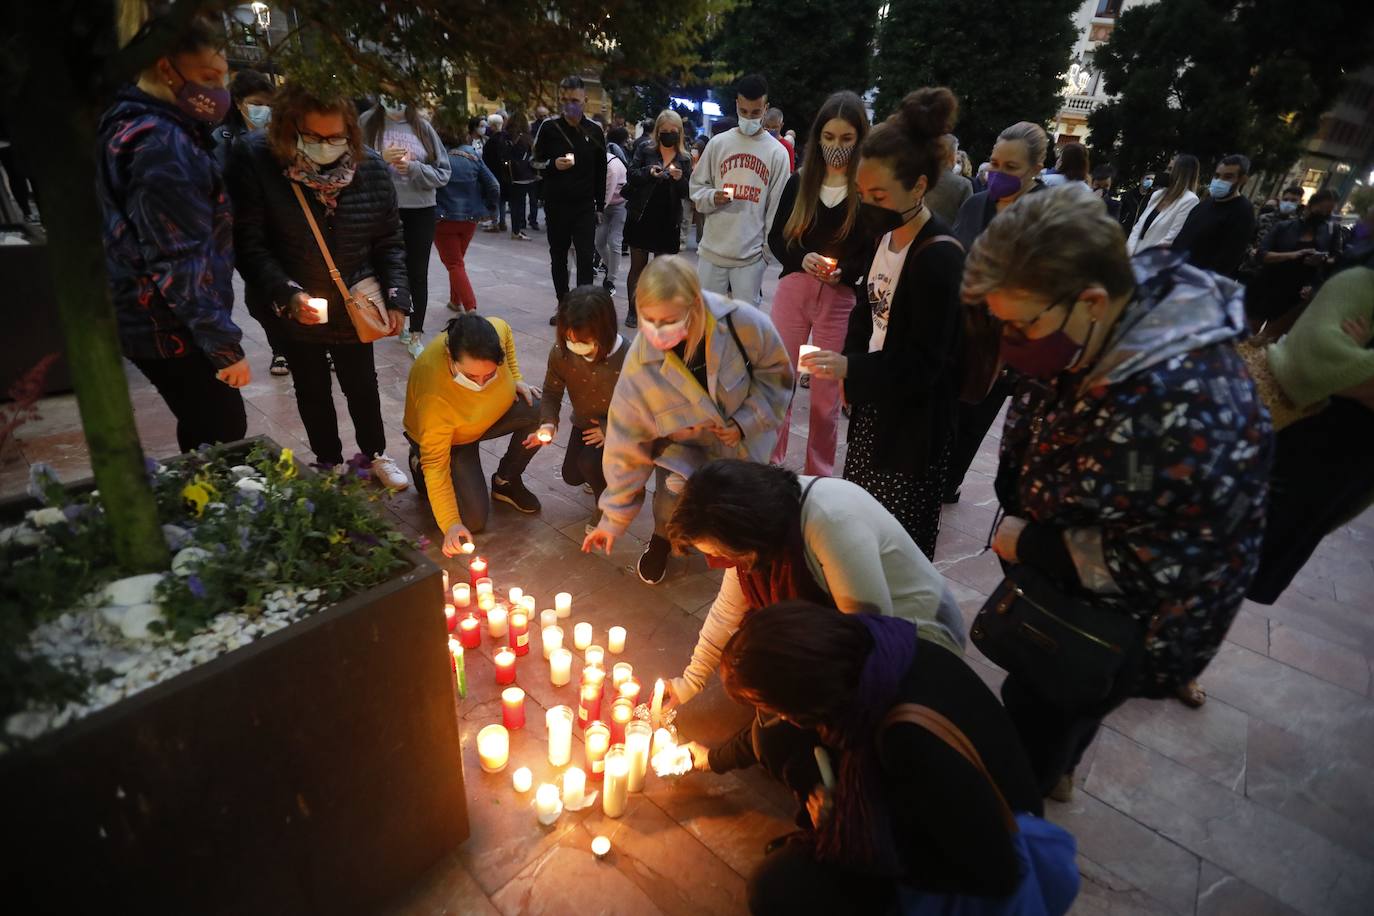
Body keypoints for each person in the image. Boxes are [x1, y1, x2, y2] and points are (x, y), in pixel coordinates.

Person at [962, 184, 1272, 800]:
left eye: (1020, 325)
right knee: (1043, 708)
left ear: (1093, 301)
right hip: (1066, 586)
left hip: (1115, 622)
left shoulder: (1191, 405)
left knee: (1032, 739)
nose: (1010, 347)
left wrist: (1037, 545)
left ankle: (1013, 838)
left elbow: (1166, 565)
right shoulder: (1095, 328)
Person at [684, 602, 1076, 916]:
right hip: (945, 810)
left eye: (776, 706)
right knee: (776, 740)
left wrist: (851, 830)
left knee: (780, 888)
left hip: (992, 859)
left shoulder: (908, 739)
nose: (780, 715)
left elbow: (995, 874)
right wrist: (713, 757)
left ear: (808, 697)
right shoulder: (877, 655)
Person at [664, 461, 966, 740]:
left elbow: (865, 644)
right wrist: (688, 684)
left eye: (719, 554)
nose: (717, 562)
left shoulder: (830, 522)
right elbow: (727, 612)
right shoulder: (763, 527)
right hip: (865, 634)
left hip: (920, 641)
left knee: (788, 737)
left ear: (745, 533)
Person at [803, 87, 965, 559]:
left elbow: (925, 364)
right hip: (877, 408)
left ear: (917, 187)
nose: (868, 205)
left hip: (913, 427)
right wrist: (852, 366)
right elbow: (866, 306)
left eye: (878, 195)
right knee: (861, 528)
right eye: (861, 193)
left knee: (894, 546)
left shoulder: (938, 257)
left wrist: (852, 371)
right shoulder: (887, 234)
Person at [228, 82, 411, 487]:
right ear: (290, 130)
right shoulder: (258, 163)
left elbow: (389, 242)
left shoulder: (372, 170)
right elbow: (249, 243)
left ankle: (374, 454)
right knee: (311, 385)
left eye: (336, 137)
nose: (327, 146)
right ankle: (327, 462)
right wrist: (287, 292)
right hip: (295, 300)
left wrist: (397, 296)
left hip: (354, 298)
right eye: (314, 138)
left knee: (362, 383)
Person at [582, 256, 792, 584]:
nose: (656, 332)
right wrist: (613, 518)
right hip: (682, 450)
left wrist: (744, 422)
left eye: (667, 321)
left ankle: (739, 561)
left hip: (741, 444)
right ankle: (662, 542)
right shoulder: (641, 363)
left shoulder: (741, 323)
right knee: (670, 501)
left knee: (738, 510)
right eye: (648, 319)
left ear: (694, 304)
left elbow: (777, 375)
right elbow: (626, 441)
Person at [96, 16, 249, 454]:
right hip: (166, 325)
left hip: (147, 315)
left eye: (223, 78)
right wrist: (223, 347)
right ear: (166, 68)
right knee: (222, 430)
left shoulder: (138, 122)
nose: (219, 91)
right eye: (208, 77)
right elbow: (178, 259)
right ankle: (207, 515)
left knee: (202, 423)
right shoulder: (162, 143)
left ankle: (200, 504)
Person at [1247, 257, 1374, 603]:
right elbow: (1311, 363)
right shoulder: (1361, 281)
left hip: (1340, 475)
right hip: (1297, 444)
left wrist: (1351, 371)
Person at [765, 91, 873, 476]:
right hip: (795, 292)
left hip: (837, 301)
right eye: (829, 138)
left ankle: (819, 474)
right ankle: (772, 463)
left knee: (825, 394)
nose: (837, 147)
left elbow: (870, 252)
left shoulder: (864, 193)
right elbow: (778, 237)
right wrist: (801, 258)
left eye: (846, 139)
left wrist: (845, 271)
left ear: (860, 139)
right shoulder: (800, 184)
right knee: (780, 380)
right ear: (818, 138)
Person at [944, 121, 1049, 504]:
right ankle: (936, 477)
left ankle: (948, 482)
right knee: (945, 414)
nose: (998, 174)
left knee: (973, 418)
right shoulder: (975, 203)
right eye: (995, 163)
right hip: (959, 329)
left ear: (1037, 168)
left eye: (1012, 168)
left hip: (1006, 342)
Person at [404, 313, 544, 554]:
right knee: (473, 521)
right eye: (470, 377)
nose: (480, 385)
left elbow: (506, 330)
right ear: (450, 356)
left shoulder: (493, 333)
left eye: (489, 375)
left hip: (484, 420)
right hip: (453, 442)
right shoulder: (434, 397)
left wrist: (516, 379)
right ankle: (418, 461)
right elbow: (437, 467)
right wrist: (450, 523)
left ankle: (505, 481)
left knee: (540, 410)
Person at [530, 286, 629, 533]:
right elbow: (552, 390)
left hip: (624, 428)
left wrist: (610, 429)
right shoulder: (562, 352)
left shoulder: (629, 357)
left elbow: (649, 408)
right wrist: (548, 422)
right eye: (569, 338)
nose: (574, 345)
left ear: (603, 332)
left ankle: (608, 504)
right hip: (585, 422)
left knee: (590, 463)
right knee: (572, 475)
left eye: (583, 341)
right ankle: (603, 476)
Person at [360, 96, 451, 359]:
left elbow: (443, 173)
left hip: (420, 209)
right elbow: (350, 166)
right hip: (382, 208)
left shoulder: (422, 126)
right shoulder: (367, 123)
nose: (394, 97)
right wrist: (379, 159)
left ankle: (416, 332)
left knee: (417, 272)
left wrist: (413, 168)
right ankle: (391, 320)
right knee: (382, 269)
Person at [689, 74, 791, 306]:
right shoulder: (719, 144)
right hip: (712, 250)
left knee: (745, 327)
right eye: (743, 111)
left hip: (751, 257)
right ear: (736, 104)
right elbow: (696, 188)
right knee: (705, 319)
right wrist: (712, 196)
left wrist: (765, 254)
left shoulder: (777, 153)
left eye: (755, 113)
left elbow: (777, 208)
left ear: (765, 109)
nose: (749, 118)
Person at [533, 76, 607, 325]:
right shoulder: (549, 128)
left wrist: (600, 205)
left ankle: (582, 309)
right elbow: (534, 162)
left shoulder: (595, 130)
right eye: (564, 101)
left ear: (585, 100)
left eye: (574, 100)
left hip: (584, 206)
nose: (570, 105)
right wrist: (552, 164)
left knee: (586, 257)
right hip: (556, 204)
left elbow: (601, 171)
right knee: (559, 256)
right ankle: (564, 305)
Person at [623, 109, 694, 328]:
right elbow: (631, 175)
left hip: (667, 217)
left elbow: (687, 192)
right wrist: (647, 172)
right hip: (642, 214)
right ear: (657, 131)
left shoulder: (684, 157)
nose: (668, 135)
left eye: (673, 131)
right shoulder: (645, 149)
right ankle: (633, 310)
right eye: (664, 131)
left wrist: (680, 178)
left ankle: (655, 311)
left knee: (662, 270)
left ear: (679, 133)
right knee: (638, 267)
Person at [1247, 188, 1341, 329]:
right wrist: (1293, 255)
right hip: (1268, 284)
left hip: (1297, 292)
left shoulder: (1331, 232)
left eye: (1329, 212)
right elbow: (1262, 255)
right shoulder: (1285, 227)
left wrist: (1323, 260)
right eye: (1322, 209)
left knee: (1271, 336)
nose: (1324, 215)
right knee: (1250, 330)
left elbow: (1337, 260)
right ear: (1310, 205)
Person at [434, 127, 499, 314]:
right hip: (470, 219)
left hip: (443, 219)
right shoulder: (473, 156)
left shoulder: (436, 158)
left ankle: (471, 308)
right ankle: (455, 301)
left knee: (454, 264)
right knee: (458, 262)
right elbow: (493, 185)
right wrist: (489, 209)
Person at [1172, 154, 1256, 279]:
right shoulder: (1205, 204)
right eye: (1217, 176)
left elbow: (1228, 259)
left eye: (1228, 177)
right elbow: (1182, 238)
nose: (1219, 180)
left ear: (1242, 180)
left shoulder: (1243, 211)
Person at [1125, 154, 1200, 254]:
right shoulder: (1157, 194)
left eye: (1170, 169)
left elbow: (1171, 238)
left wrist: (1143, 258)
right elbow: (1138, 227)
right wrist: (1128, 254)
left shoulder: (1189, 200)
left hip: (1154, 260)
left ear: (1181, 174)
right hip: (1133, 255)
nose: (1165, 172)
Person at [213, 68, 273, 168]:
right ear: (238, 102)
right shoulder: (224, 137)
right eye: (257, 104)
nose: (265, 109)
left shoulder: (274, 136)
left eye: (269, 105)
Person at [595, 138, 628, 295]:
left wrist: (598, 210)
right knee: (599, 242)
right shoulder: (597, 162)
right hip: (605, 206)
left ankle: (611, 280)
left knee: (615, 242)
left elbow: (608, 192)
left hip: (619, 205)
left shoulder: (612, 167)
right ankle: (611, 267)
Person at [922, 133, 972, 224]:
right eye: (956, 152)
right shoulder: (963, 185)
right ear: (952, 156)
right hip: (947, 236)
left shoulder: (917, 179)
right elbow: (968, 222)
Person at [505, 112, 536, 242]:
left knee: (514, 204)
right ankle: (517, 231)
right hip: (524, 175)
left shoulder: (507, 135)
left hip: (510, 174)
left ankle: (515, 229)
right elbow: (531, 157)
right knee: (521, 203)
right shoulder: (526, 138)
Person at [528, 105, 549, 230]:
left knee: (547, 196)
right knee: (533, 197)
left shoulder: (551, 127)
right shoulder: (533, 129)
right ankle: (533, 219)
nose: (544, 118)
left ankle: (547, 219)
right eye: (541, 116)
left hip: (547, 167)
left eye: (545, 115)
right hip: (535, 166)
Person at [1117, 170, 1156, 235]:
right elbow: (1120, 212)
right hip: (1124, 230)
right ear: (1141, 180)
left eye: (1152, 179)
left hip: (1139, 232)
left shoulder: (1152, 197)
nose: (1150, 181)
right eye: (1148, 178)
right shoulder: (1128, 195)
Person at [763, 107, 794, 172]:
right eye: (767, 126)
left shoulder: (787, 147)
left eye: (775, 127)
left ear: (781, 125)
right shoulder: (759, 142)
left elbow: (789, 172)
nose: (770, 130)